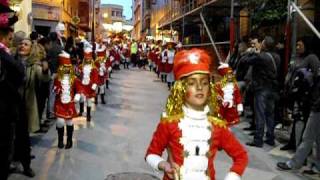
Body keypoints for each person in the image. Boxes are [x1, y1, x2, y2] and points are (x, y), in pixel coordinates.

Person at [145, 48, 248, 180]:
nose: (200, 88)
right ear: (180, 89)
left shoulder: (217, 126)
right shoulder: (169, 124)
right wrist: (163, 165)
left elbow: (241, 156)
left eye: (204, 83)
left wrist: (232, 176)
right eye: (192, 83)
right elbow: (151, 154)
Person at [277, 67, 320, 174]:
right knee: (318, 139)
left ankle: (294, 163)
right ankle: (317, 166)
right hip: (316, 107)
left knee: (308, 137)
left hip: (318, 109)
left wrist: (314, 103)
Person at [0, 4, 24, 179]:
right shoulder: (5, 56)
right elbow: (18, 73)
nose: (11, 42)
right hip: (4, 109)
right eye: (9, 39)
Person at [245, 36, 280, 148]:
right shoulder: (277, 57)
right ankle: (270, 138)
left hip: (261, 89)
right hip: (272, 89)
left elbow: (246, 61)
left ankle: (258, 139)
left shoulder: (261, 56)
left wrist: (252, 52)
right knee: (270, 114)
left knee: (260, 114)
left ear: (264, 45)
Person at [54, 52, 81, 149]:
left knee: (69, 122)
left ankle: (69, 140)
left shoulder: (74, 78)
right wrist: (57, 89)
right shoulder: (58, 78)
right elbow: (55, 88)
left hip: (69, 103)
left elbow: (78, 88)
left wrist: (77, 95)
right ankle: (60, 139)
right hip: (60, 103)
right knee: (60, 122)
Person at [77, 48, 98, 121]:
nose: (88, 60)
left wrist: (94, 84)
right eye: (86, 58)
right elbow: (79, 76)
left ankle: (88, 114)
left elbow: (95, 77)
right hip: (82, 85)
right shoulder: (81, 66)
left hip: (89, 86)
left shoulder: (94, 68)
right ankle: (81, 110)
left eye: (89, 58)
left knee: (89, 100)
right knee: (81, 98)